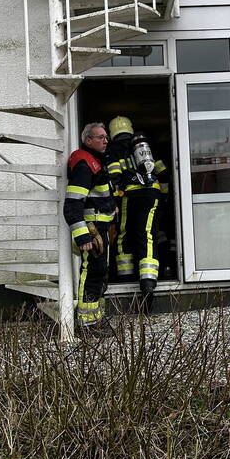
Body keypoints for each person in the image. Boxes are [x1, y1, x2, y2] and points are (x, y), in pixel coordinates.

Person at [105, 116, 170, 311]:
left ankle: (126, 277)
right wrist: (162, 198)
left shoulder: (113, 149)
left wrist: (113, 200)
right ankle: (148, 283)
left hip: (129, 196)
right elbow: (163, 173)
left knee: (124, 234)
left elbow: (113, 177)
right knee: (147, 235)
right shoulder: (146, 147)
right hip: (152, 195)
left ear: (111, 132)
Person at [63, 122, 116, 337]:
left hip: (101, 229)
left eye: (106, 137)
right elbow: (72, 204)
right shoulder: (85, 165)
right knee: (92, 273)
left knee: (100, 273)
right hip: (92, 231)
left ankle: (96, 320)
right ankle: (86, 325)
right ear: (88, 140)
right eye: (101, 137)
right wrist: (83, 234)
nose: (105, 140)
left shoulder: (94, 162)